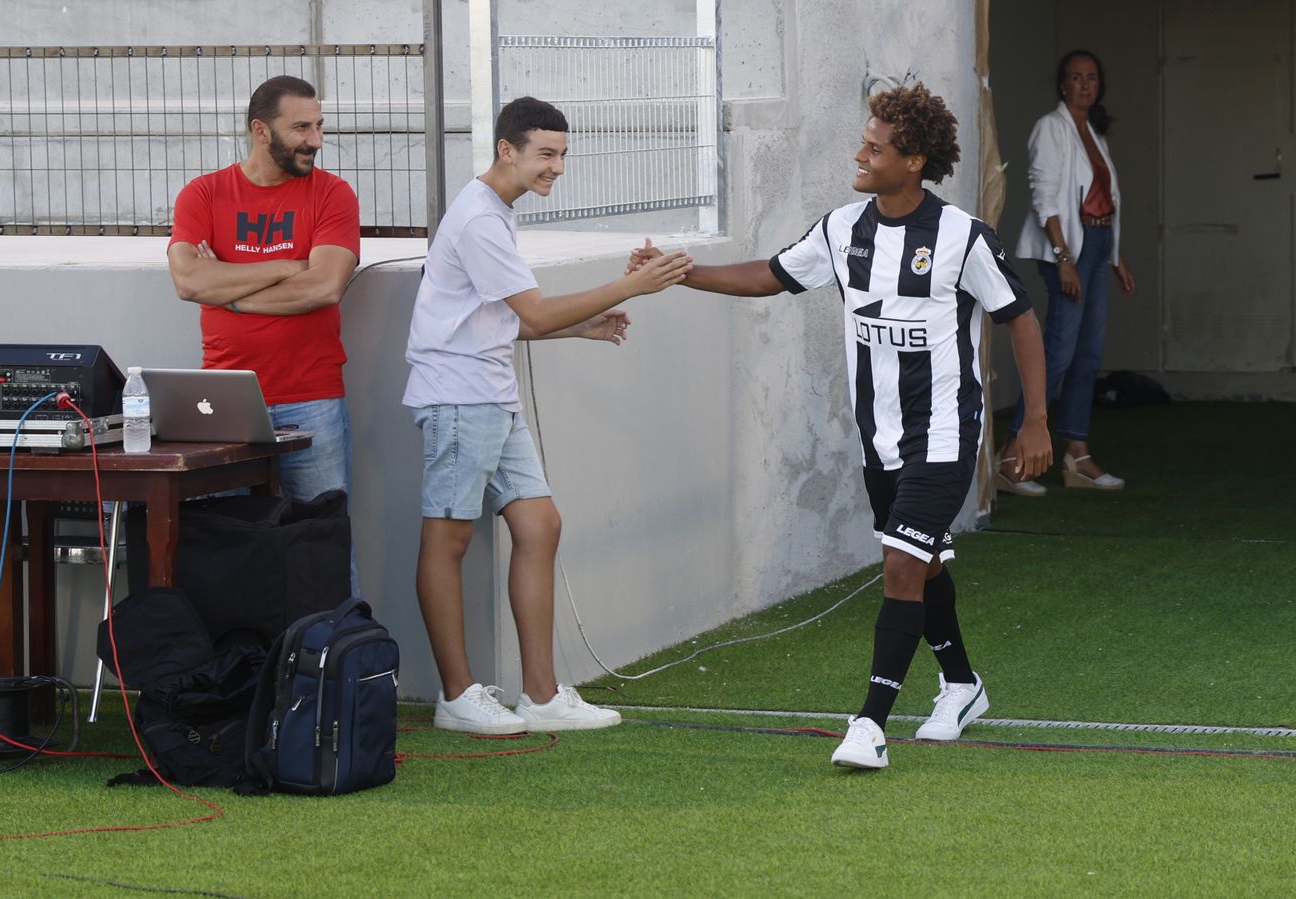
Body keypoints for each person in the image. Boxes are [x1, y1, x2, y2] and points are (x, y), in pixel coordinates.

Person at [632, 84, 1052, 769]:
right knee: (924, 559)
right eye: (864, 141)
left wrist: (1035, 421)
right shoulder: (842, 229)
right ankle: (962, 684)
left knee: (900, 562)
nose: (860, 155)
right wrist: (679, 272)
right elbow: (770, 276)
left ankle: (869, 724)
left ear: (913, 160)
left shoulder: (960, 237)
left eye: (875, 147)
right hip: (877, 438)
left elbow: (1020, 318)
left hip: (944, 433)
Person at [404, 96, 692, 734]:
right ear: (506, 150)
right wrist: (632, 286)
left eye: (562, 155)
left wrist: (581, 327)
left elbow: (491, 319)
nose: (557, 168)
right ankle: (457, 697)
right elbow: (529, 312)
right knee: (446, 541)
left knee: (540, 526)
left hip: (488, 395)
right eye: (546, 154)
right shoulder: (480, 218)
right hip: (459, 397)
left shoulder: (495, 212)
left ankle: (540, 697)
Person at [166, 75, 362, 590]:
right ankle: (244, 669)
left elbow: (323, 288)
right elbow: (188, 281)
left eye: (319, 126)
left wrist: (227, 291)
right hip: (226, 402)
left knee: (324, 548)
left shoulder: (333, 194)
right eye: (301, 128)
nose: (315, 140)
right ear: (260, 130)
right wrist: (287, 264)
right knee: (228, 552)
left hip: (312, 399)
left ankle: (344, 667)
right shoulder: (203, 194)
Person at [997, 50, 1136, 497]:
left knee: (1089, 353)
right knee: (1058, 349)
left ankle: (1076, 453)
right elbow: (1045, 196)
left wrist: (1116, 258)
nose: (1084, 84)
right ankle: (1011, 454)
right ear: (1061, 85)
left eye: (1091, 78)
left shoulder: (1092, 132)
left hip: (1095, 247)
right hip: (1067, 251)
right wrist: (1062, 257)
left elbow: (1103, 200)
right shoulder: (1050, 128)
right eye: (1075, 77)